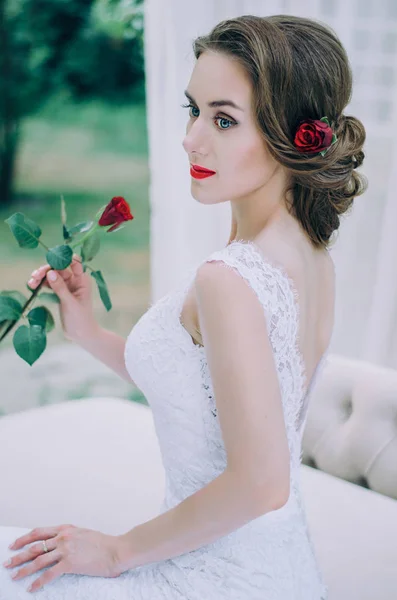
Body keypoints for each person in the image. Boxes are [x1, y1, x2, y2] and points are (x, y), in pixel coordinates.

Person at [0, 13, 366, 600]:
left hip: (216, 575)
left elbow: (261, 482)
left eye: (223, 119)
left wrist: (117, 551)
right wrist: (90, 331)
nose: (191, 138)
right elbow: (205, 395)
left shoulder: (230, 279)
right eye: (193, 110)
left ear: (292, 134)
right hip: (279, 565)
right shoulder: (309, 256)